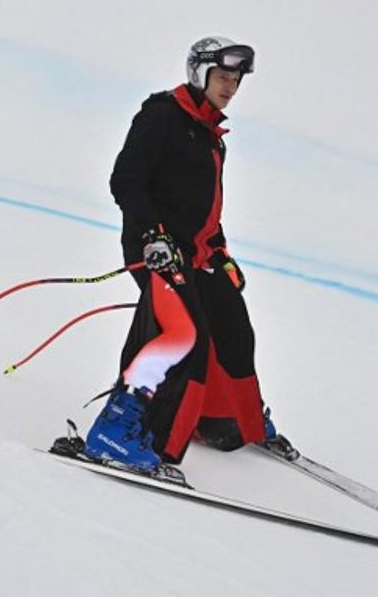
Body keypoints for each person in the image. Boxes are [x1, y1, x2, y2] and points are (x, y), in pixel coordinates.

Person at [81, 36, 295, 473]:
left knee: (234, 329)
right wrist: (152, 236)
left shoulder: (210, 133)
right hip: (155, 248)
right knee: (181, 334)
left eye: (236, 79)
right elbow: (126, 180)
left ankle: (223, 420)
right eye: (222, 77)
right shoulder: (163, 115)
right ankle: (116, 430)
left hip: (197, 253)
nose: (230, 86)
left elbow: (204, 209)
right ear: (200, 74)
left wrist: (221, 251)